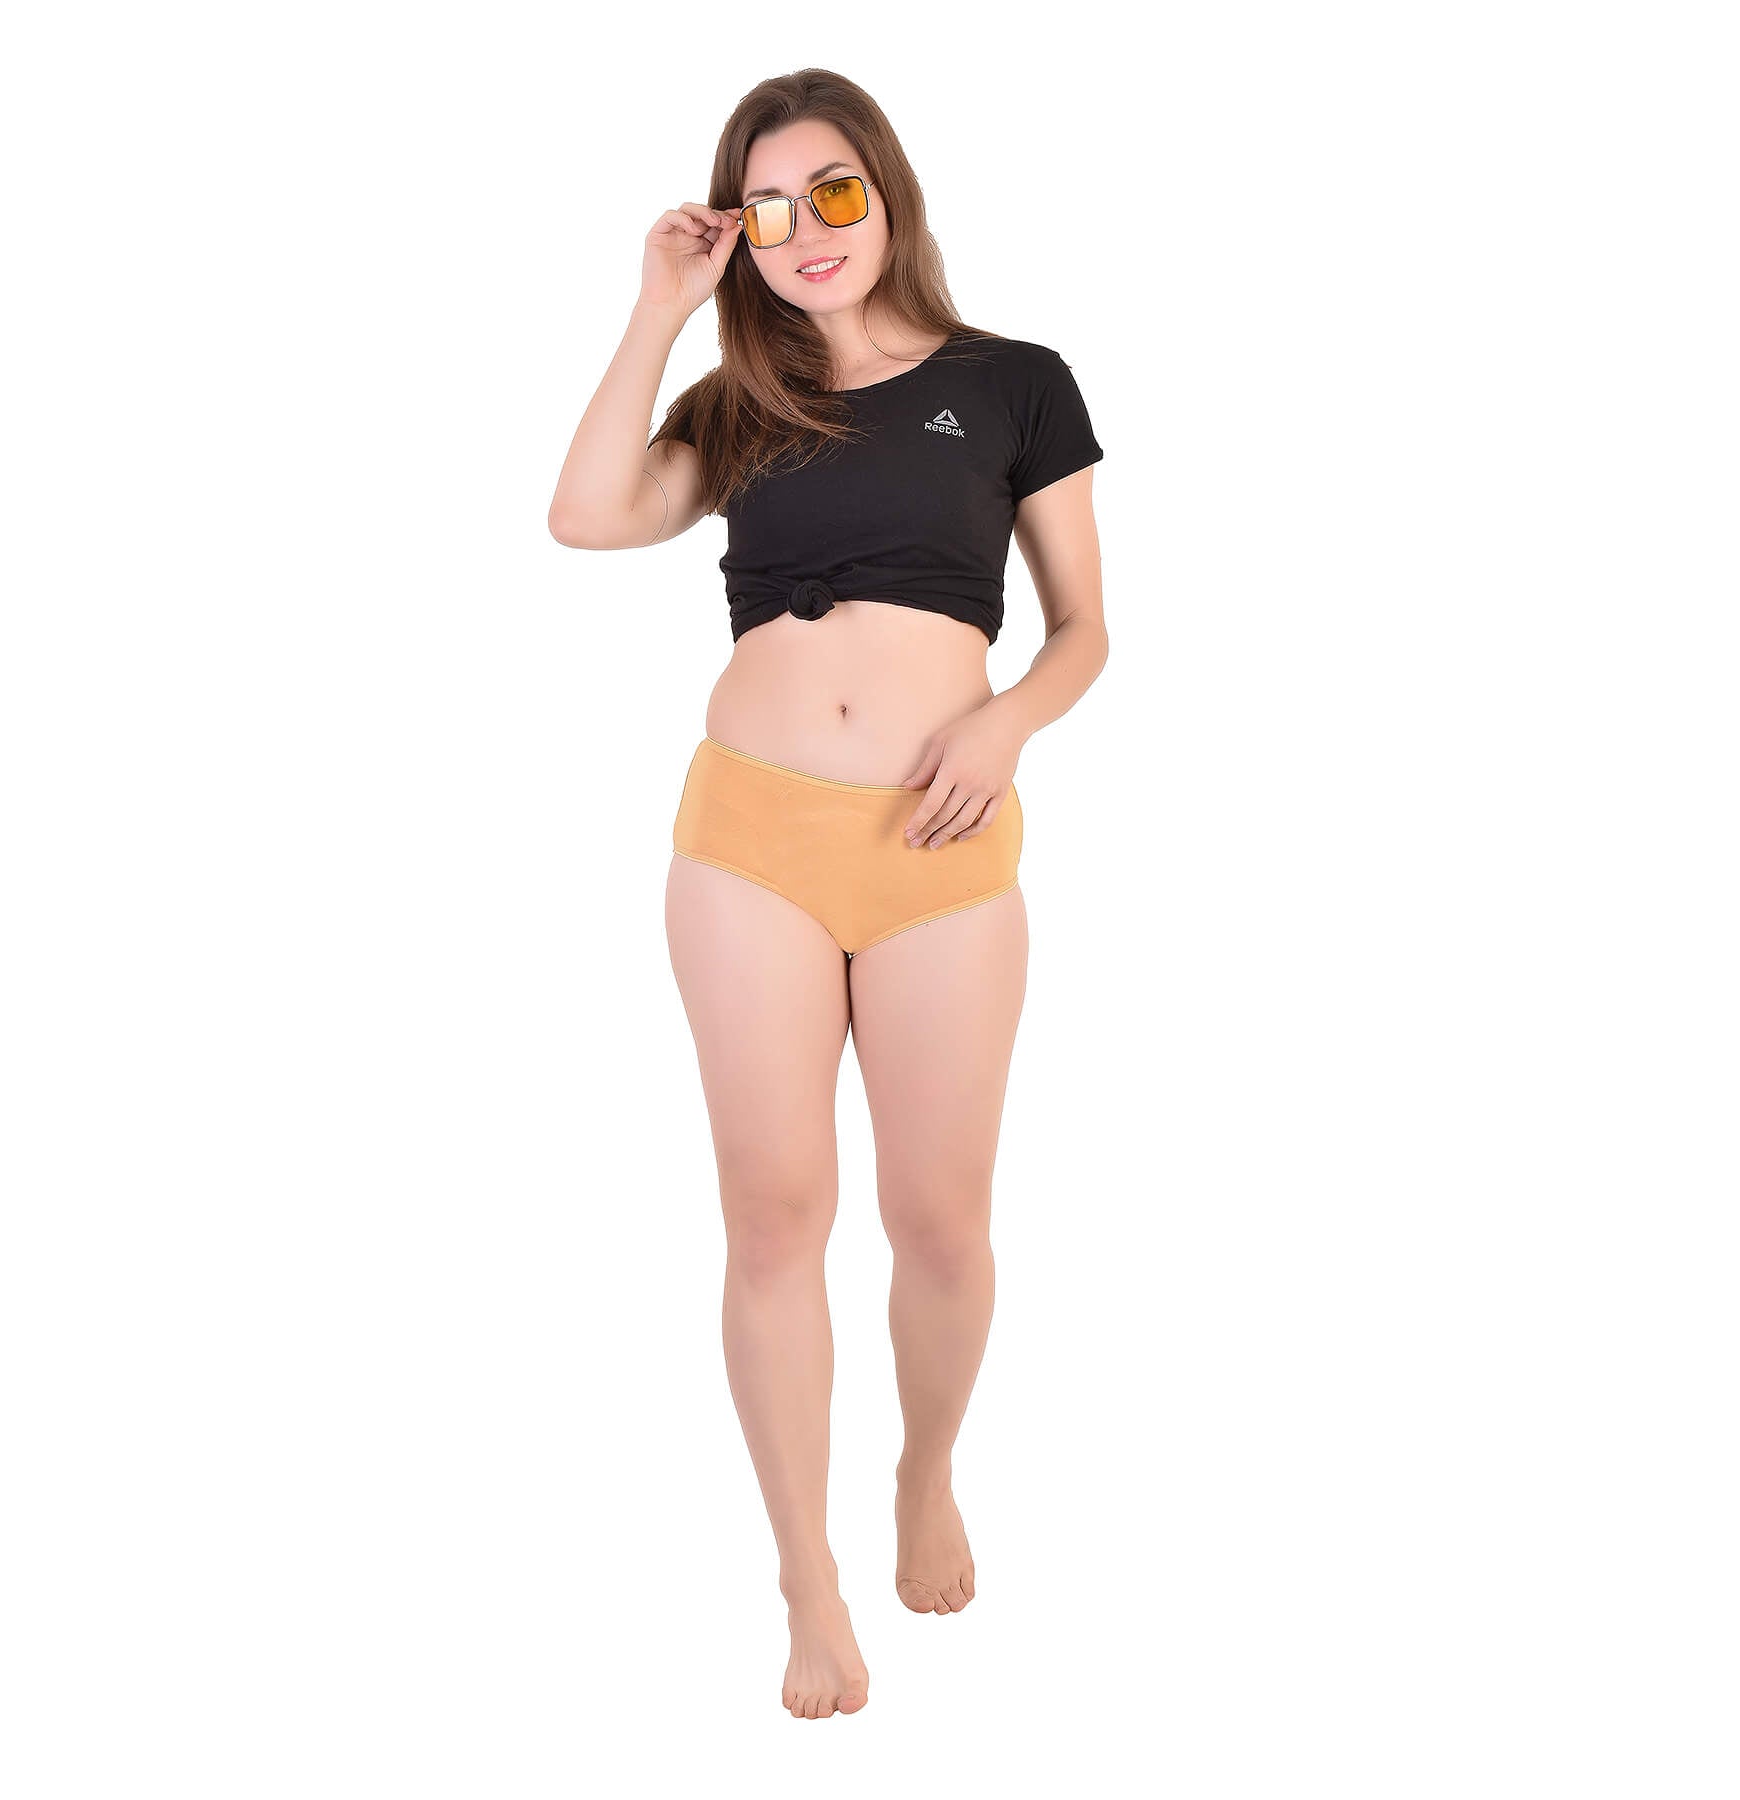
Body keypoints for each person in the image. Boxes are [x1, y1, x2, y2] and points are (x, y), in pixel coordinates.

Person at [548, 69, 1107, 1720]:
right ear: (741, 230)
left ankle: (925, 1470)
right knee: (776, 1216)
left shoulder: (1014, 383)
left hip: (942, 841)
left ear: (890, 193)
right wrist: (660, 306)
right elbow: (584, 516)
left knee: (940, 1222)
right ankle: (806, 1574)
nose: (808, 232)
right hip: (752, 842)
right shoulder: (736, 404)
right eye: (770, 208)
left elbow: (1087, 630)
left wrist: (1005, 723)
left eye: (835, 193)